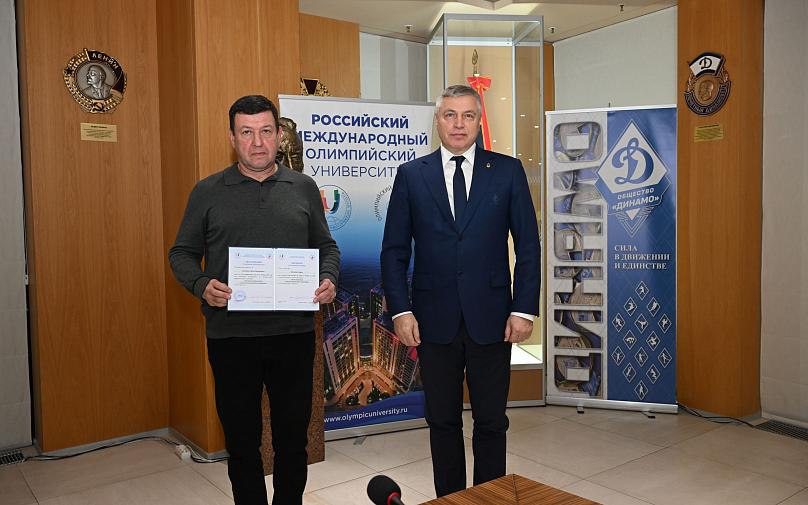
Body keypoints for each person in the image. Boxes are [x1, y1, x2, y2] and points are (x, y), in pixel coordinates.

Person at [169, 95, 340, 505]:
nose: (257, 142)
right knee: (242, 442)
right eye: (247, 132)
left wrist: (328, 278)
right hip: (232, 338)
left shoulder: (303, 187)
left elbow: (326, 247)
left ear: (279, 135)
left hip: (293, 335)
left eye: (265, 131)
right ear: (232, 138)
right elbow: (181, 254)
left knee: (292, 441)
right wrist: (201, 284)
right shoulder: (207, 191)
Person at [380, 84, 540, 497]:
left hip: (493, 318)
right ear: (437, 120)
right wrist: (400, 311)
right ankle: (450, 500)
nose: (458, 124)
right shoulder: (412, 175)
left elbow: (528, 246)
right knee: (443, 422)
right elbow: (394, 251)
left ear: (479, 120)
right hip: (432, 320)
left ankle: (487, 499)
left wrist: (524, 308)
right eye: (450, 114)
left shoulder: (507, 171)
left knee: (491, 422)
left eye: (468, 115)